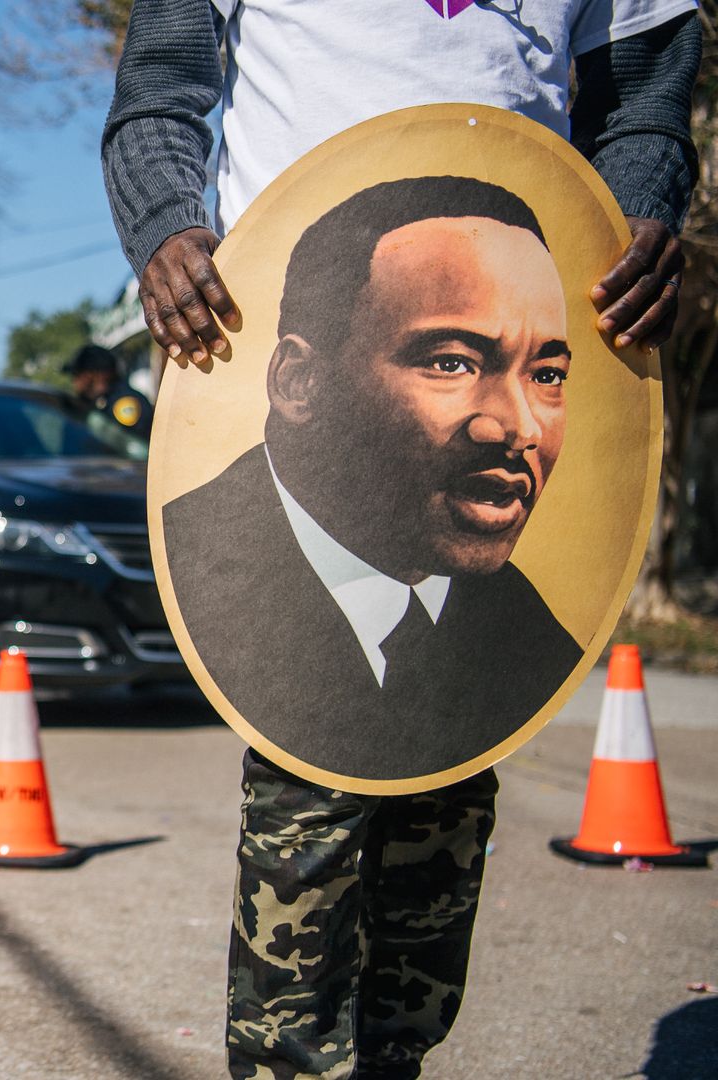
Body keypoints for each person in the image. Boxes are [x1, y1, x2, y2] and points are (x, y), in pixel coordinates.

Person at [102, 1, 700, 1076]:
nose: (507, 421)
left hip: (524, 296)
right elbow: (160, 95)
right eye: (445, 361)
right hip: (269, 331)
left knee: (441, 834)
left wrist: (642, 215)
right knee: (312, 811)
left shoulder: (525, 613)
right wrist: (165, 228)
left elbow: (643, 107)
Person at [163, 175, 583, 782]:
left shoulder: (536, 641)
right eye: (450, 363)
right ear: (299, 383)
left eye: (546, 375)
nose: (519, 429)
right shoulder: (196, 559)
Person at [66, 343, 153, 440]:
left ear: (97, 374)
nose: (75, 382)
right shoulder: (100, 402)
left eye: (77, 374)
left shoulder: (122, 402)